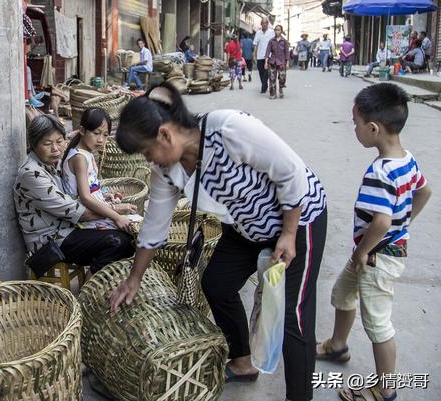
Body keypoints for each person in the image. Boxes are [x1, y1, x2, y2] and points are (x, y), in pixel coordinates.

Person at [110, 82, 328, 401]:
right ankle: (242, 362)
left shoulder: (229, 128)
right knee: (216, 284)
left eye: (146, 152)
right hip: (245, 226)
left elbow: (290, 172)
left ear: (165, 135)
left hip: (298, 218)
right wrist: (134, 279)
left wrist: (289, 234)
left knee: (294, 318)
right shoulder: (167, 170)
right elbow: (154, 228)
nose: (148, 161)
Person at [316, 83, 432, 401]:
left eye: (354, 122)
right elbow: (424, 191)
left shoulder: (380, 173)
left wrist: (365, 250)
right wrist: (403, 223)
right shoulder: (406, 159)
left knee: (378, 323)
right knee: (343, 292)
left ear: (372, 128)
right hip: (375, 252)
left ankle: (385, 388)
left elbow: (380, 221)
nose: (353, 128)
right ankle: (338, 346)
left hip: (376, 257)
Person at [14, 114, 135, 275]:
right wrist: (116, 211)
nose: (55, 149)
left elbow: (73, 196)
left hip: (68, 229)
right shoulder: (31, 174)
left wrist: (105, 202)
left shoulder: (52, 163)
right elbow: (78, 213)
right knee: (119, 241)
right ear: (34, 145)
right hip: (50, 241)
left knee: (125, 236)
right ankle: (92, 286)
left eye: (59, 141)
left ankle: (99, 278)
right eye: (47, 143)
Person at [61, 107, 138, 232]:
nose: (101, 140)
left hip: (95, 210)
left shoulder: (87, 154)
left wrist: (104, 195)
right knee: (135, 228)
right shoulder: (79, 158)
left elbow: (88, 189)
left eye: (105, 135)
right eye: (96, 133)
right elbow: (85, 197)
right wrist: (117, 216)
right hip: (87, 219)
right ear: (82, 130)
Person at [265, 25, 290, 99]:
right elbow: (267, 52)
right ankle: (273, 94)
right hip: (272, 61)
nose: (277, 31)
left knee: (282, 77)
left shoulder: (284, 41)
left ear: (281, 31)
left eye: (279, 30)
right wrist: (266, 62)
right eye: (276, 30)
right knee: (272, 78)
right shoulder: (271, 41)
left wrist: (287, 63)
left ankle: (281, 88)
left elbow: (287, 52)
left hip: (282, 62)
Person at [253, 19, 275, 94]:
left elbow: (274, 44)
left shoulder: (272, 32)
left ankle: (264, 86)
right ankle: (264, 84)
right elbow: (255, 45)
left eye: (266, 23)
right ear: (261, 24)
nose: (264, 24)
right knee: (261, 72)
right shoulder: (258, 33)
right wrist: (254, 56)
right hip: (259, 56)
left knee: (266, 72)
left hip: (269, 56)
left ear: (267, 24)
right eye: (263, 23)